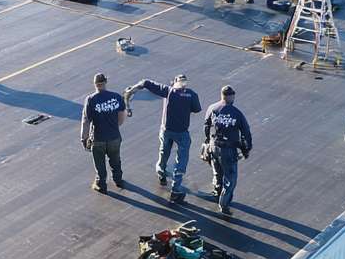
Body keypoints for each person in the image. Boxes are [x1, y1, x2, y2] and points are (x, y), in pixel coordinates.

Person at [125, 74, 201, 202]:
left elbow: (146, 82)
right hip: (182, 132)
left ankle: (161, 173)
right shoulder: (191, 94)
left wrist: (132, 90)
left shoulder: (168, 91)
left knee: (164, 151)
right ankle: (175, 189)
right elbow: (196, 109)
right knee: (181, 159)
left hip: (166, 130)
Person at [203, 85, 252, 217]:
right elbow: (246, 133)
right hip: (228, 150)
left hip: (214, 146)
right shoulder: (236, 113)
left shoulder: (212, 108)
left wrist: (207, 142)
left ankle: (217, 192)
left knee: (217, 172)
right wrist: (246, 149)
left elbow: (206, 126)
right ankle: (223, 204)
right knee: (230, 178)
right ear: (231, 96)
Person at [80, 72, 128, 193]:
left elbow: (86, 121)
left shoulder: (91, 99)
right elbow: (122, 115)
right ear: (106, 82)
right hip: (114, 137)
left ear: (95, 84)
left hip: (98, 138)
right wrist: (115, 127)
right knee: (115, 159)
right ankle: (118, 179)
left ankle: (101, 184)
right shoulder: (116, 97)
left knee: (100, 163)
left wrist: (84, 138)